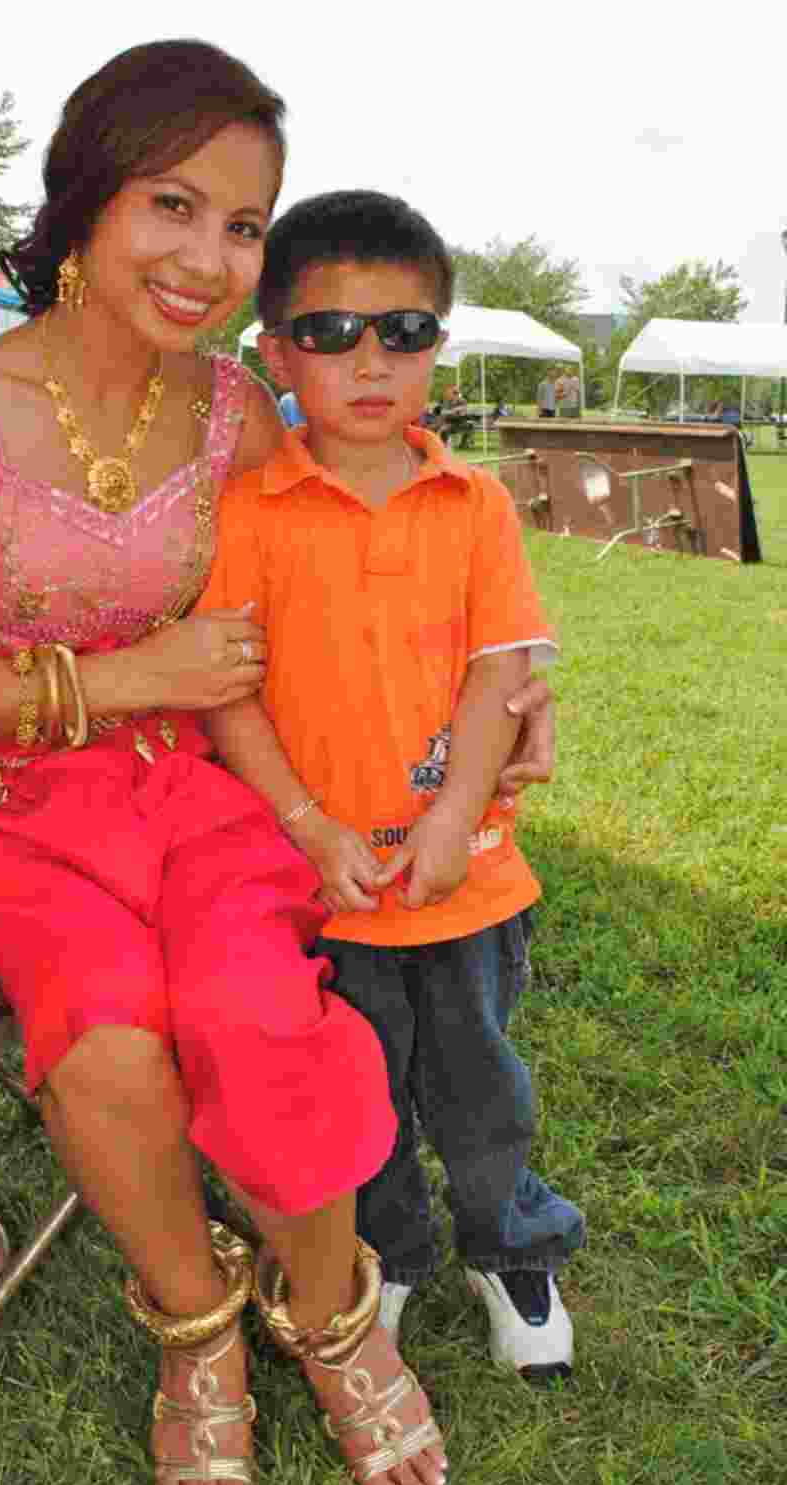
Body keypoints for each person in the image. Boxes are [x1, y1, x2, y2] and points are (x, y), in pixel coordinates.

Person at [0, 43, 552, 1485]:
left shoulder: (235, 414)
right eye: (175, 204)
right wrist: (119, 682)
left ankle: (334, 1312)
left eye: (241, 226)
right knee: (107, 1041)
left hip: (200, 792)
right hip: (5, 809)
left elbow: (351, 567)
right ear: (87, 196)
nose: (211, 259)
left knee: (257, 1007)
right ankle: (196, 1324)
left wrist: (501, 698)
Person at [198, 189, 584, 1380]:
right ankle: (390, 1253)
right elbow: (226, 689)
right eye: (330, 332)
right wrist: (310, 829)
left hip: (464, 879)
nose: (369, 361)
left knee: (477, 1084)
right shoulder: (250, 510)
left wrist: (454, 817)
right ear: (275, 353)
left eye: (404, 332)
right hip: (325, 883)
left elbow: (497, 673)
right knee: (354, 1091)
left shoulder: (473, 504)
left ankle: (507, 1239)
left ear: (436, 348)